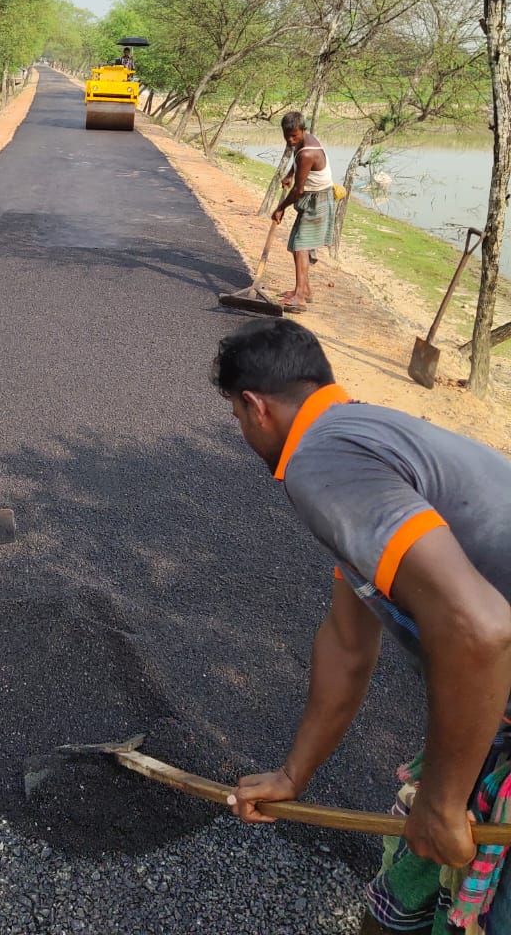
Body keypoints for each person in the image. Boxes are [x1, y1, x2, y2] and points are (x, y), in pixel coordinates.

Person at [213, 319, 511, 935]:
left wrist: (441, 803)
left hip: (494, 700)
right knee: (405, 901)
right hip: (491, 711)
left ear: (255, 406)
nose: (242, 430)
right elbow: (347, 643)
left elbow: (479, 627)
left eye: (237, 416)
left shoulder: (322, 461)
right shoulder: (364, 435)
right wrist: (294, 774)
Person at [271, 111, 334, 311]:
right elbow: (297, 160)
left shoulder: (308, 153)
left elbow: (298, 191)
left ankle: (299, 297)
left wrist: (280, 208)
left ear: (303, 130)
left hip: (317, 199)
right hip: (312, 195)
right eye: (287, 135)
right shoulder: (303, 142)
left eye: (294, 136)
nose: (290, 140)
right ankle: (304, 290)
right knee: (299, 244)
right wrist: (290, 174)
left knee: (300, 245)